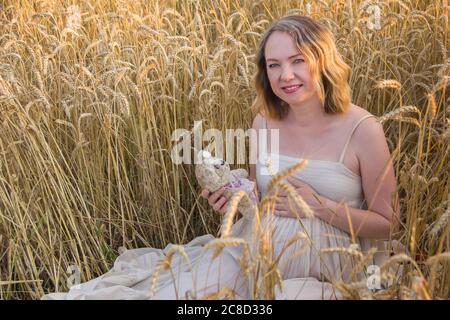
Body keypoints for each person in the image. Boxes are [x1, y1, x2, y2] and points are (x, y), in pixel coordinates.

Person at [41, 15, 400, 300]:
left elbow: (388, 223)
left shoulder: (362, 129)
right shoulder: (264, 123)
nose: (285, 75)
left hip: (331, 266)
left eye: (297, 61)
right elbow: (263, 198)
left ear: (322, 61)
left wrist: (320, 207)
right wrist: (235, 198)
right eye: (273, 65)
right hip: (255, 251)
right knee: (172, 296)